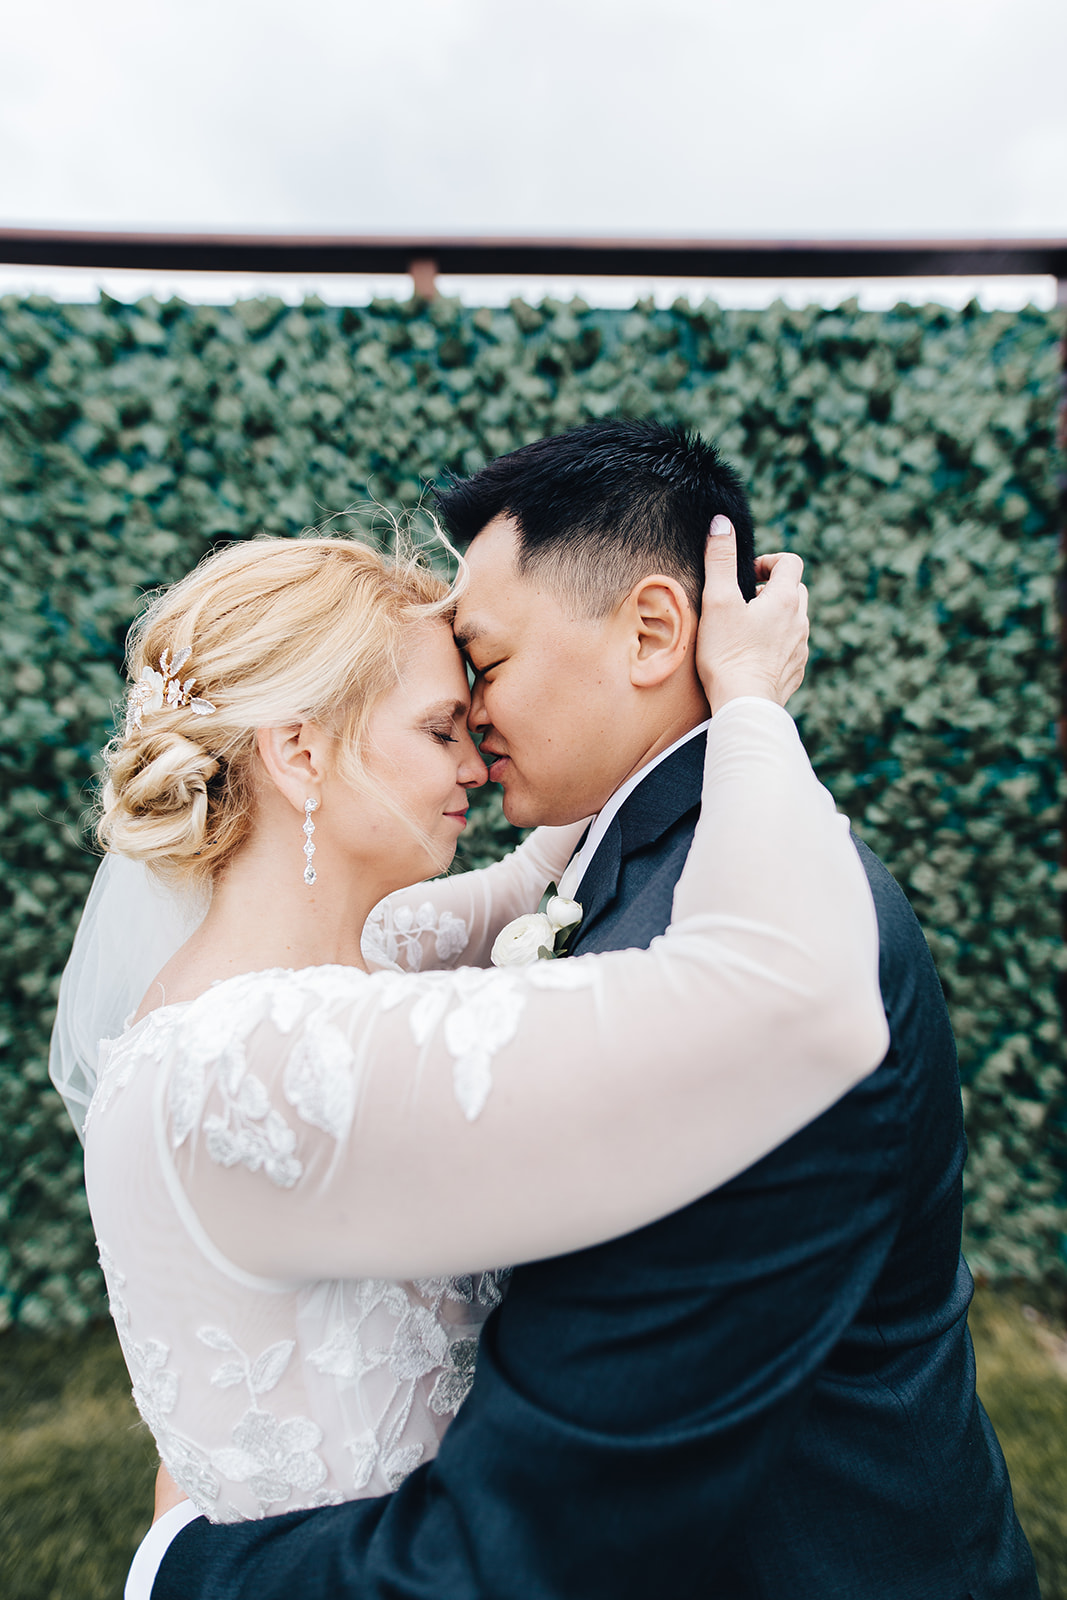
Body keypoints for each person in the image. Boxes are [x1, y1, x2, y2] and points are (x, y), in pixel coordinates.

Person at [142, 421, 1038, 1600]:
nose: (469, 717)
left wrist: (176, 1568)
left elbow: (550, 1533)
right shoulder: (637, 866)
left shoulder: (746, 940)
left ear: (655, 631)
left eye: (487, 663)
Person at [50, 514, 888, 1594]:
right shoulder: (252, 1064)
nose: (476, 761)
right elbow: (787, 997)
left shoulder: (350, 955)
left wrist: (664, 688)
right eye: (442, 727)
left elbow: (543, 861)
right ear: (300, 751)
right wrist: (754, 706)